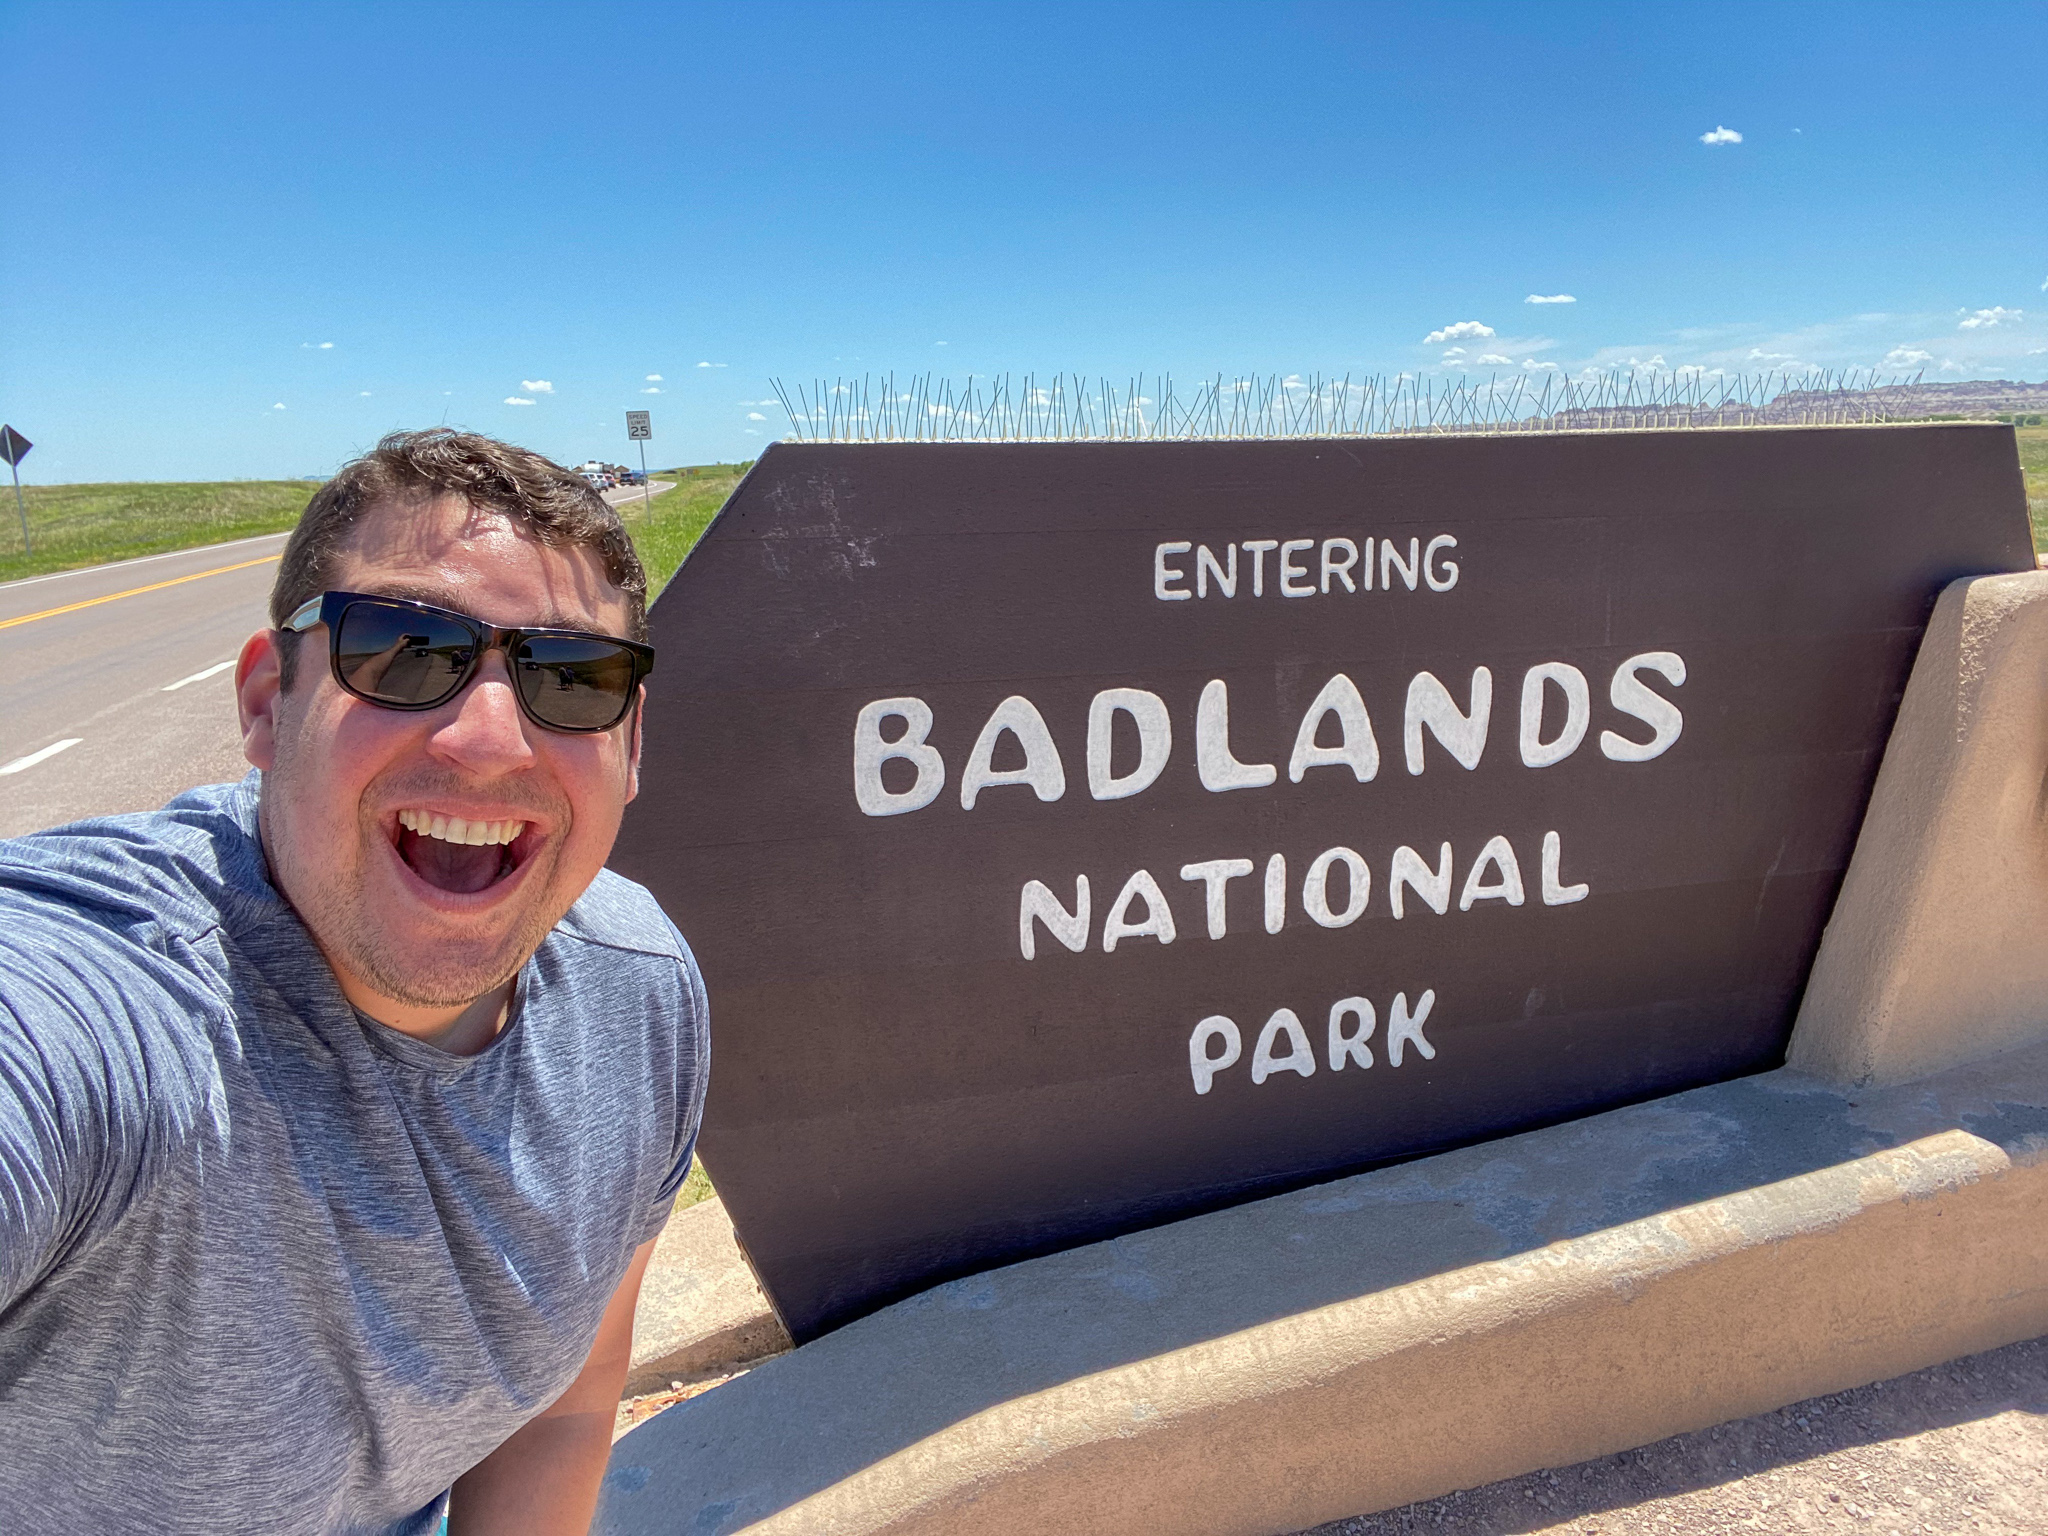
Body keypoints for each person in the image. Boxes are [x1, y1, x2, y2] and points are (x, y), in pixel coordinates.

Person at [0, 429, 709, 1534]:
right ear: (265, 703)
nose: (490, 740)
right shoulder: (103, 994)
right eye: (404, 650)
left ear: (631, 745)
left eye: (573, 678)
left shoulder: (638, 995)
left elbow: (564, 1405)